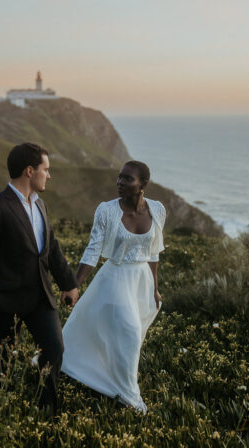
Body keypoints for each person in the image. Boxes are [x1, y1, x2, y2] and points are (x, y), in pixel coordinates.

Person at [0, 142, 79, 415]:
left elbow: (51, 249)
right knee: (4, 359)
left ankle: (46, 411)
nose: (49, 175)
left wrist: (68, 284)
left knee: (55, 349)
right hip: (6, 299)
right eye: (46, 169)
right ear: (30, 171)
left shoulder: (40, 205)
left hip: (40, 296)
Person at [60, 160, 165, 413]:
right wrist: (74, 285)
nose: (120, 182)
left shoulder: (158, 209)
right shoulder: (106, 211)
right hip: (116, 278)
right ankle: (130, 397)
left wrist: (154, 289)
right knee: (128, 332)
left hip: (141, 282)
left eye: (128, 179)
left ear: (143, 185)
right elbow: (93, 250)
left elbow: (153, 253)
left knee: (128, 336)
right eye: (119, 177)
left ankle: (108, 375)